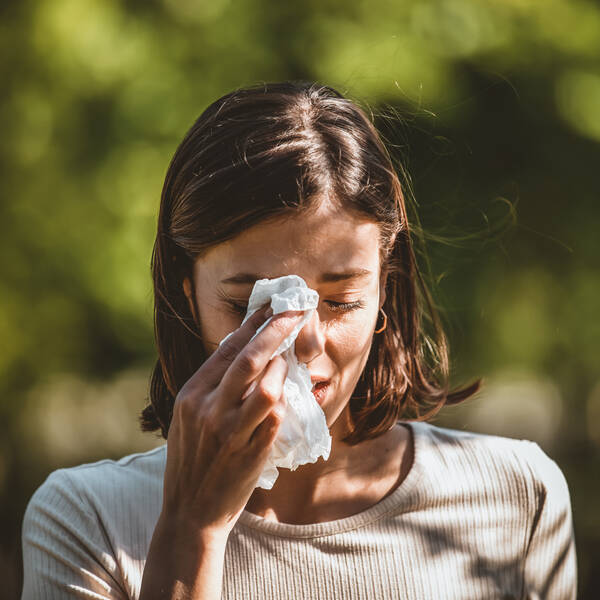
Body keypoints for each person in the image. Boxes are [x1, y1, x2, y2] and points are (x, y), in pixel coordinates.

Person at [21, 81, 576, 599]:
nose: (303, 342)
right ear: (186, 293)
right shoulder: (89, 521)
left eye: (339, 301)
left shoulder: (517, 495)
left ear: (386, 288)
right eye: (250, 306)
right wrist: (193, 529)